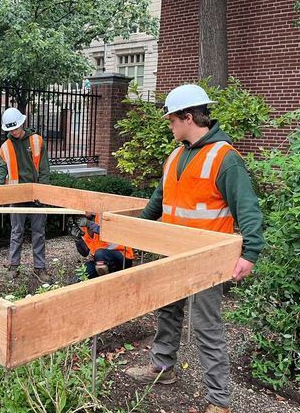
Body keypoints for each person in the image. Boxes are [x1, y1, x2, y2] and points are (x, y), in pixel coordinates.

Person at [125, 84, 264, 413]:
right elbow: (157, 203)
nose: (169, 126)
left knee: (206, 327)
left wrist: (250, 253)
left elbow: (248, 209)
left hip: (207, 260)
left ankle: (219, 401)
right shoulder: (175, 155)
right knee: (167, 311)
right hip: (173, 253)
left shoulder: (225, 158)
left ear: (188, 117)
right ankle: (162, 369)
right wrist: (135, 231)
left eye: (172, 120)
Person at [0, 107, 51, 282]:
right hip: (17, 196)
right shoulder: (5, 147)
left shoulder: (36, 141)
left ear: (22, 124)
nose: (14, 132)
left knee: (38, 232)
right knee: (16, 232)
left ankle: (39, 268)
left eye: (16, 128)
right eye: (10, 129)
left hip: (37, 196)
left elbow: (44, 169)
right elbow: (0, 170)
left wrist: (44, 193)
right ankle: (13, 265)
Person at [69, 213, 134, 278]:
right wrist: (78, 240)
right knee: (83, 274)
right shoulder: (83, 226)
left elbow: (111, 232)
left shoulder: (104, 215)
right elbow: (85, 253)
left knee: (100, 254)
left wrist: (90, 224)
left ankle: (108, 283)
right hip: (101, 260)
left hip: (123, 258)